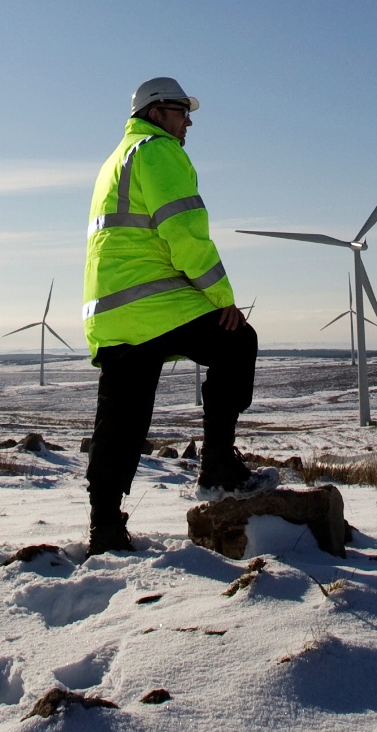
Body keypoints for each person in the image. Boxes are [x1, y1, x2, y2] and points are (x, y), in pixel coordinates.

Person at [81, 75, 258, 553]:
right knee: (238, 341)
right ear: (156, 113)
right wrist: (223, 298)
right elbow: (185, 233)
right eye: (182, 113)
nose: (188, 124)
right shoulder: (159, 152)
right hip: (157, 304)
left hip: (114, 315)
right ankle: (218, 465)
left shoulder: (114, 161)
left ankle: (105, 528)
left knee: (120, 421)